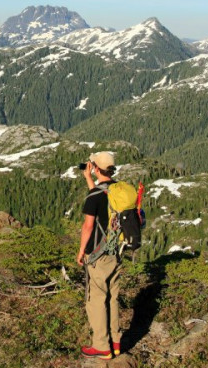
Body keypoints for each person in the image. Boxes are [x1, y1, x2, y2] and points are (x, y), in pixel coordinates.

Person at [76, 151, 122, 359]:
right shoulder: (119, 190)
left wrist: (81, 251)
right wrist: (88, 179)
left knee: (96, 300)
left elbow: (88, 226)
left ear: (96, 168)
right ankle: (116, 341)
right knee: (112, 298)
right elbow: (102, 201)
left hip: (97, 255)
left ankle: (102, 346)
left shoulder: (94, 196)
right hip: (116, 253)